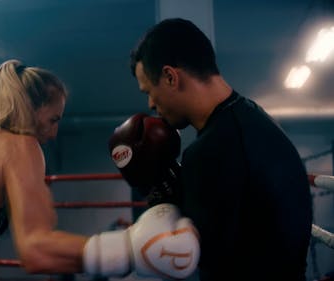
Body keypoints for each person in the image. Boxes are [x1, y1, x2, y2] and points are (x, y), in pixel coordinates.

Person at [0, 59, 200, 281]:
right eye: (53, 119)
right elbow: (36, 251)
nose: (53, 134)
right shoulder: (19, 147)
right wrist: (132, 247)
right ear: (31, 109)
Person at [128, 18, 313, 280]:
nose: (150, 104)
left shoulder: (211, 150)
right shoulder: (250, 116)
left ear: (170, 77)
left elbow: (196, 260)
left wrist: (159, 193)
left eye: (149, 90)